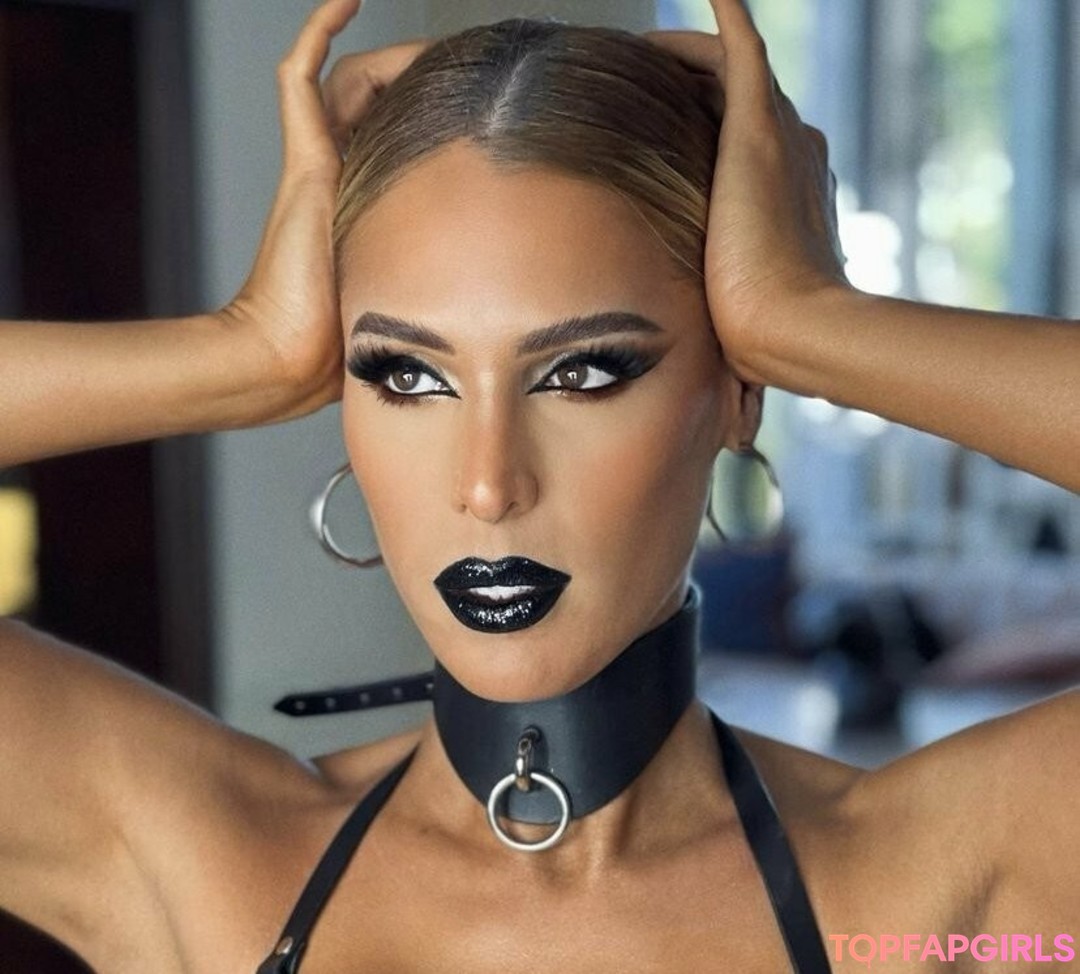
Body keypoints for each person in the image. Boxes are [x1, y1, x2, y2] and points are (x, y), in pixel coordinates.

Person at [0, 0, 1077, 971]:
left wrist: (810, 323)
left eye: (584, 373)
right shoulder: (202, 856)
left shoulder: (934, 887)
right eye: (407, 374)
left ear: (736, 392)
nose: (487, 485)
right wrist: (246, 350)